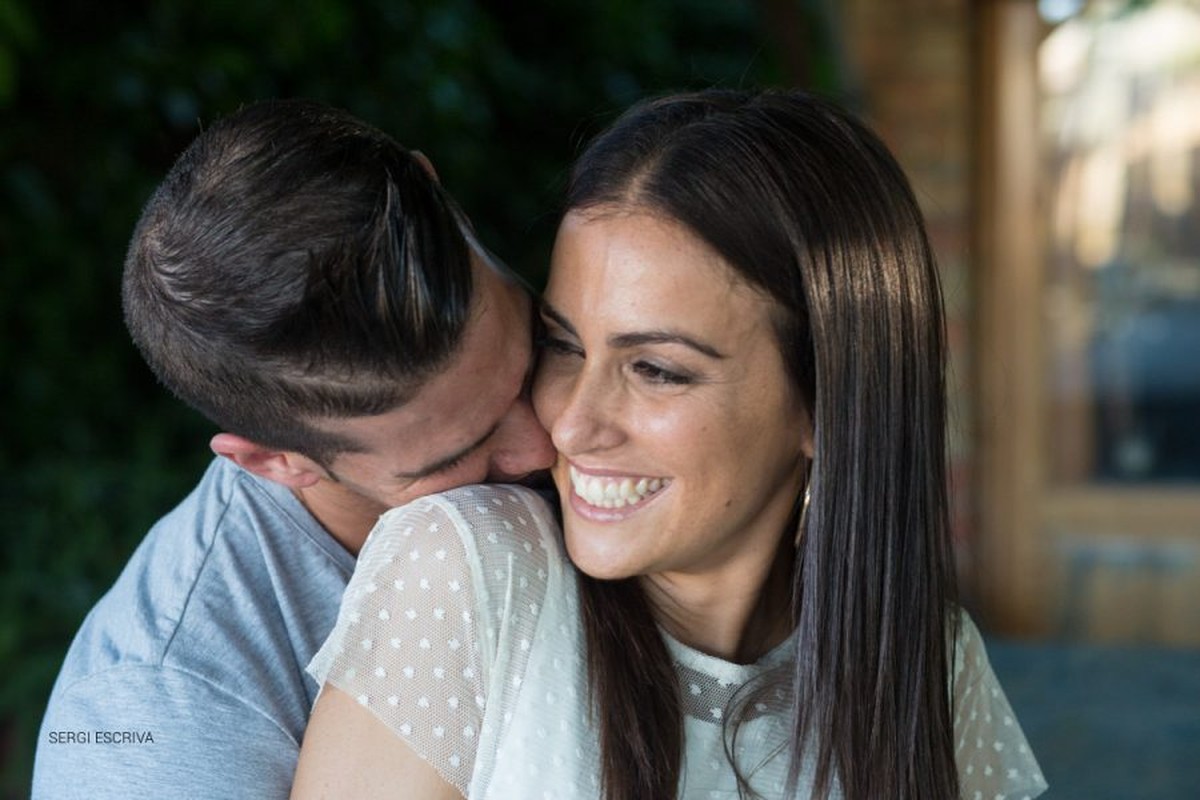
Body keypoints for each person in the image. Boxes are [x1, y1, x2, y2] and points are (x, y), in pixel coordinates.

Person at [291, 89, 1049, 799]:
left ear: (826, 406)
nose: (571, 423)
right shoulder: (465, 572)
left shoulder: (928, 664)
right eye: (562, 345)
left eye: (654, 370)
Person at [32, 99, 555, 799]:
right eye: (458, 456)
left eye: (534, 363)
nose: (547, 447)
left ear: (440, 191)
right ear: (272, 461)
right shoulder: (161, 719)